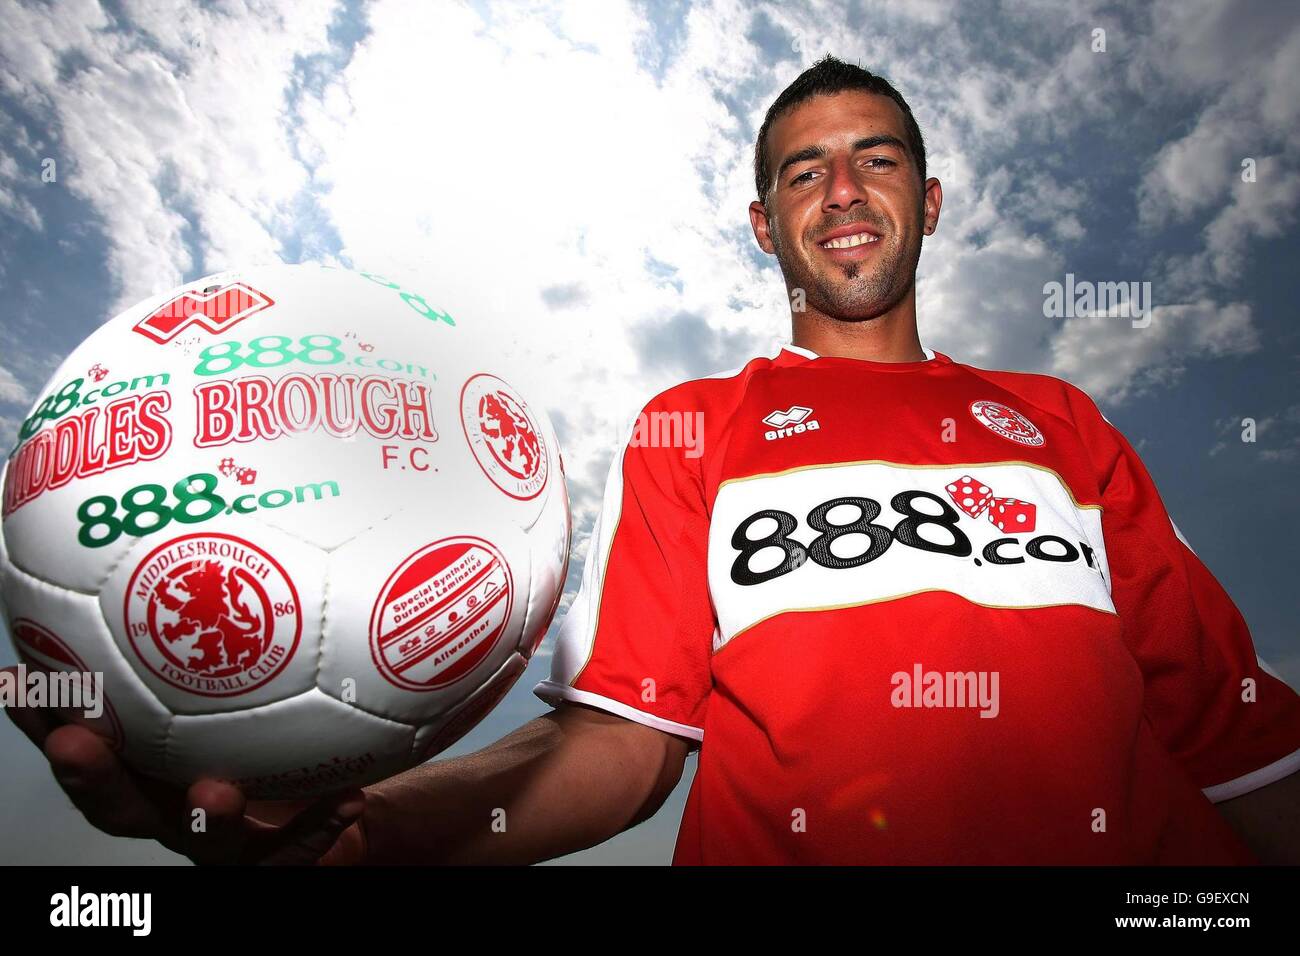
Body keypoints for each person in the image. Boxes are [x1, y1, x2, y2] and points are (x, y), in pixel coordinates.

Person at [6, 55, 1300, 866]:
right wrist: (367, 840)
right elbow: (620, 751)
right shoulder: (695, 428)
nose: (843, 189)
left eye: (877, 159)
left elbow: (1241, 755)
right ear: (764, 224)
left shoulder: (1064, 424)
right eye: (805, 172)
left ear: (931, 198)